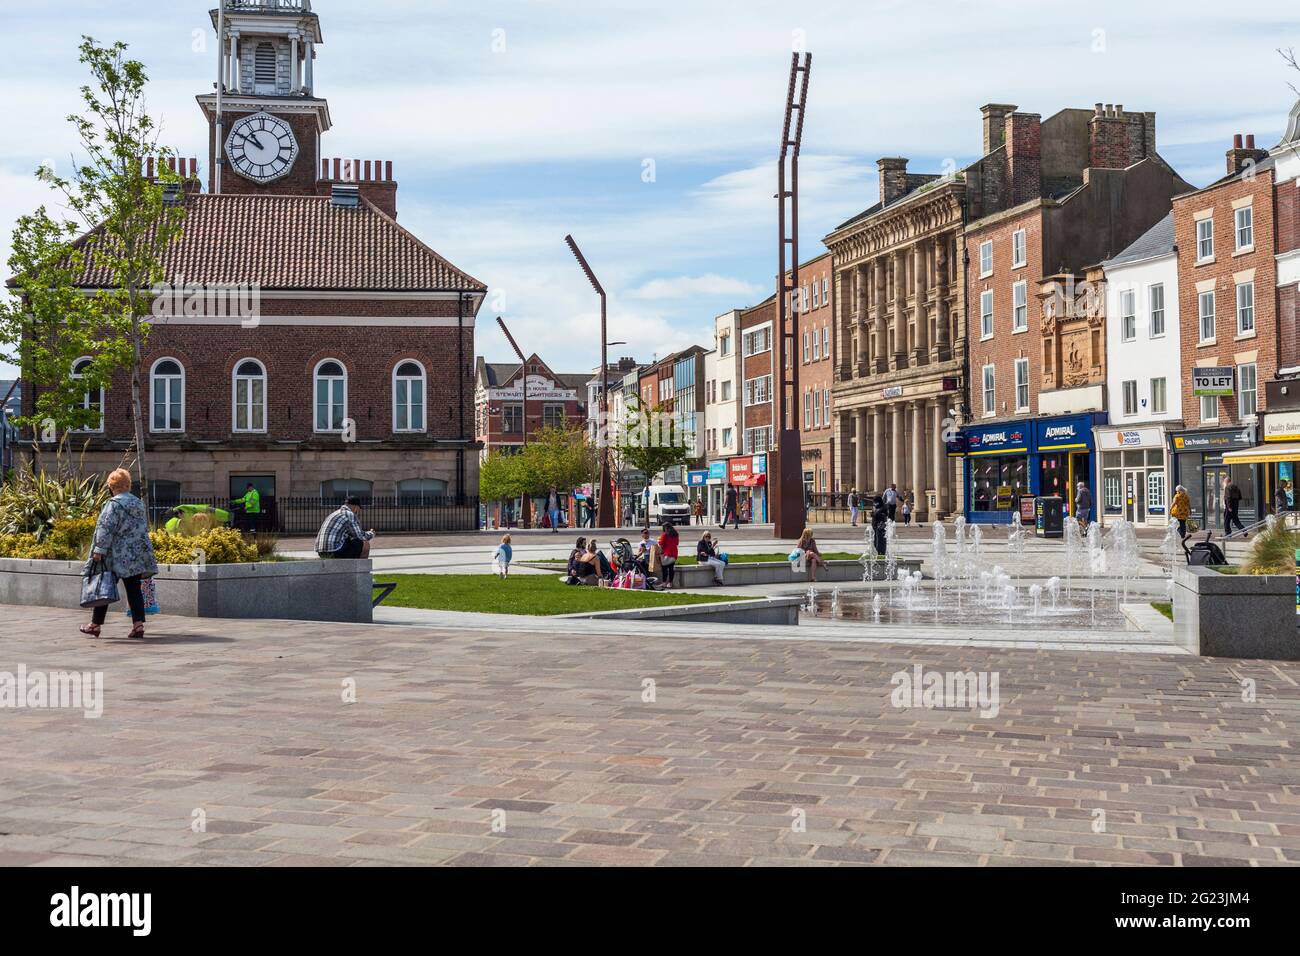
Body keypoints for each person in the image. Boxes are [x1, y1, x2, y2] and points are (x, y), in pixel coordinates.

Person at [80, 468, 157, 640]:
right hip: (135, 555)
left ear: (111, 486)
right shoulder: (138, 503)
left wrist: (99, 550)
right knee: (134, 589)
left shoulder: (113, 504)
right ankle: (138, 626)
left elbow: (105, 528)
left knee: (104, 588)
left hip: (116, 556)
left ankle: (95, 625)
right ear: (128, 485)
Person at [657, 523, 680, 589]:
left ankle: (664, 583)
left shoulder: (664, 535)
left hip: (666, 554)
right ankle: (670, 583)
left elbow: (661, 544)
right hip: (674, 553)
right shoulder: (675, 534)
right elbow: (677, 543)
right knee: (671, 568)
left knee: (664, 569)